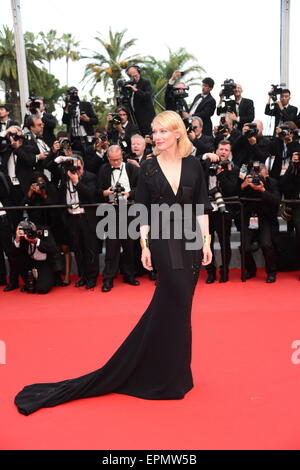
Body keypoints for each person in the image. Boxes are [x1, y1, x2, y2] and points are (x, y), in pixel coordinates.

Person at [14, 110, 212, 416]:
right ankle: (166, 376)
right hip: (162, 237)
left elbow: (201, 205)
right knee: (172, 295)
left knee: (178, 306)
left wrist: (207, 241)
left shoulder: (194, 165)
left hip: (191, 242)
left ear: (177, 133)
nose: (156, 136)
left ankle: (175, 373)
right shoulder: (147, 167)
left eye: (162, 131)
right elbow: (144, 210)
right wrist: (145, 245)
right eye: (153, 131)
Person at [125, 65, 156, 136]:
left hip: (146, 115)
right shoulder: (130, 83)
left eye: (135, 73)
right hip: (135, 116)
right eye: (131, 75)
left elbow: (148, 96)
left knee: (148, 134)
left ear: (138, 72)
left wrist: (136, 90)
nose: (134, 76)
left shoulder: (145, 82)